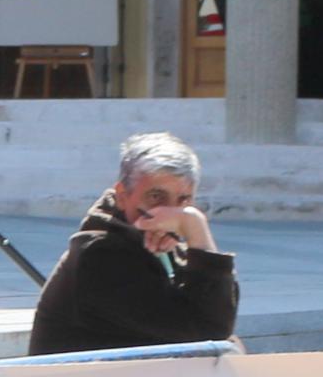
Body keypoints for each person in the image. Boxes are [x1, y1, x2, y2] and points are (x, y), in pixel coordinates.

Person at [27, 130, 241, 354]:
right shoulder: (100, 254)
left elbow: (219, 321)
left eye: (183, 200)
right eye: (156, 197)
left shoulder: (161, 241)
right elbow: (208, 331)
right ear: (122, 195)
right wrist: (197, 230)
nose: (170, 212)